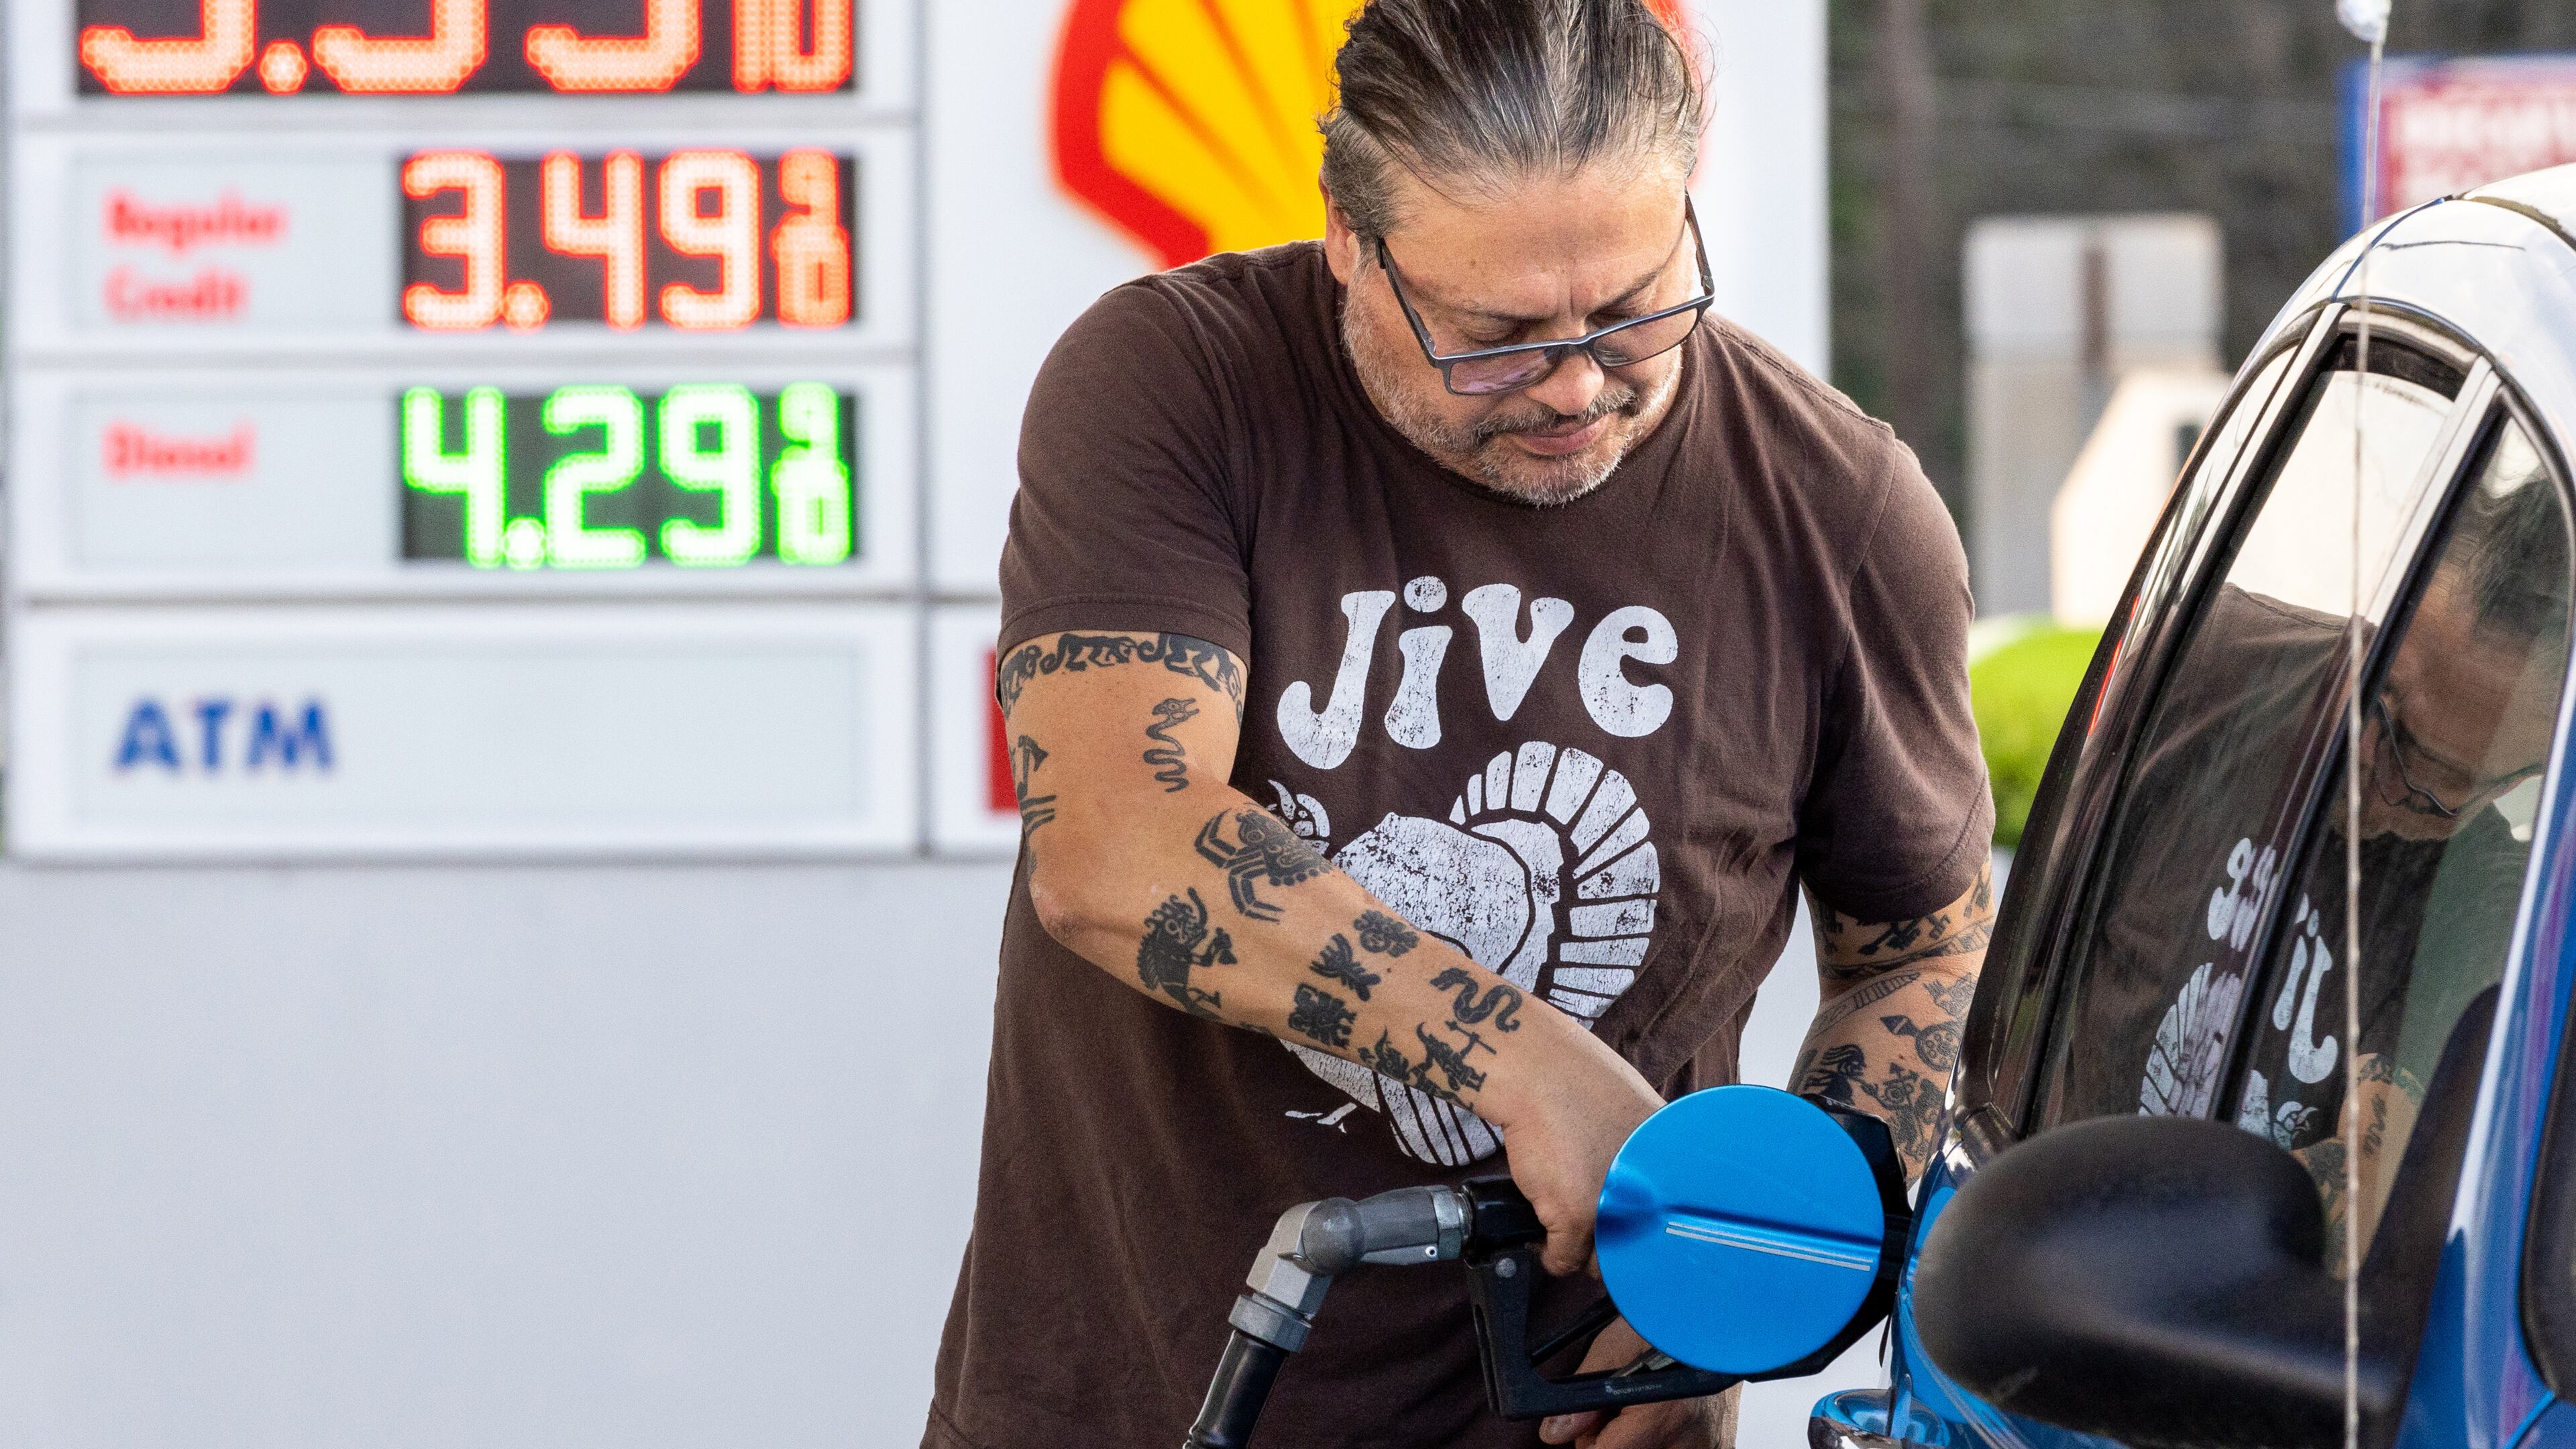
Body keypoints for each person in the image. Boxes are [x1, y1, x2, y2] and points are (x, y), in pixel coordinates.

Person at [923, 3, 1993, 1446]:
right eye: (1495, 338)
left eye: (1634, 308)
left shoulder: (1840, 509)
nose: (1574, 383)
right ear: (1351, 241)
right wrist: (1524, 1064)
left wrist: (1755, 1271)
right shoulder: (1175, 388)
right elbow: (1115, 847)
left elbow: (1921, 948)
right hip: (1144, 1398)